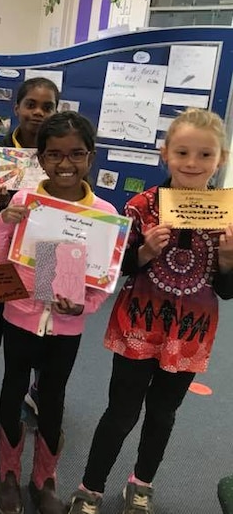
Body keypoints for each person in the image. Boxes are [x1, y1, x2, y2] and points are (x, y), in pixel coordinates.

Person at [66, 108, 233, 514]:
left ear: (222, 159)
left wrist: (228, 260)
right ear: (165, 154)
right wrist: (144, 251)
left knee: (163, 413)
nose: (192, 164)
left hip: (190, 331)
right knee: (121, 411)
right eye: (182, 153)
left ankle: (141, 484)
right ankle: (91, 487)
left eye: (205, 155)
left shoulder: (227, 217)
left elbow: (226, 291)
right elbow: (116, 266)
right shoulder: (141, 206)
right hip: (138, 323)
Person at [0, 112, 117, 514]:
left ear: (90, 157)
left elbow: (103, 278)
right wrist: (2, 221)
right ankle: (7, 473)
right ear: (40, 160)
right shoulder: (25, 202)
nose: (66, 164)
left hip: (66, 326)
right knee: (12, 389)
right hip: (21, 317)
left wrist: (84, 305)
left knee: (54, 397)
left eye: (76, 154)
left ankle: (44, 478)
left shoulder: (102, 211)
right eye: (55, 155)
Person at [0, 77, 60, 416]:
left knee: (44, 317)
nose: (38, 112)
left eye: (47, 107)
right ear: (16, 107)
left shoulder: (59, 156)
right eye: (31, 104)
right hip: (5, 249)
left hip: (46, 251)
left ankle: (36, 384)